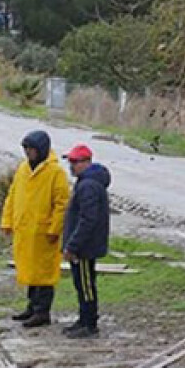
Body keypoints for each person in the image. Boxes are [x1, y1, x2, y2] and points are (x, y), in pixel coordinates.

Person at [1, 130, 71, 327]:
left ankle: (42, 312)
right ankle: (31, 307)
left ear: (40, 150)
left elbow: (61, 204)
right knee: (30, 271)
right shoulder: (23, 169)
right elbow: (12, 196)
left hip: (43, 233)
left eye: (30, 149)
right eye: (25, 149)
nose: (27, 153)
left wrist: (54, 229)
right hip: (24, 230)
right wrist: (7, 221)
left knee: (44, 274)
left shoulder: (55, 173)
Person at [60, 144, 111, 338]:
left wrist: (73, 245)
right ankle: (83, 319)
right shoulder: (86, 182)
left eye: (75, 162)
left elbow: (87, 219)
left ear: (87, 162)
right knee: (81, 284)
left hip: (84, 247)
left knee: (86, 285)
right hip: (84, 245)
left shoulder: (88, 185)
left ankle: (89, 324)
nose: (71, 166)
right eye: (70, 162)